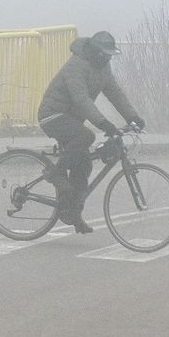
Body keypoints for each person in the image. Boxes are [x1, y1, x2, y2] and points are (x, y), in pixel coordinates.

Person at [36, 31, 145, 233]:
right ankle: (55, 173)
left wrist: (133, 117)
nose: (108, 58)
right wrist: (104, 123)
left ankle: (72, 214)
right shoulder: (76, 65)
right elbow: (81, 99)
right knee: (86, 136)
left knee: (84, 164)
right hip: (52, 116)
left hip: (72, 119)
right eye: (105, 54)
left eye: (110, 55)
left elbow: (115, 94)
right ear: (95, 52)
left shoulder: (103, 68)